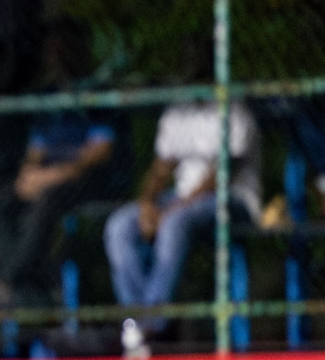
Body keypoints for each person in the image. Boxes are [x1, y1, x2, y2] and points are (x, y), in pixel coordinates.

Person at [103, 100, 261, 335]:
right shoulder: (177, 112)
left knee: (175, 223)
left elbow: (224, 172)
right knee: (120, 226)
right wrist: (147, 204)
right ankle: (135, 323)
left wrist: (173, 209)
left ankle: (154, 326)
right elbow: (161, 168)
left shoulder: (235, 111)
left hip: (232, 200)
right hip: (178, 198)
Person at [0, 110, 116, 307]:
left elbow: (99, 153)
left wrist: (53, 176)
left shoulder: (94, 112)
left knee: (45, 204)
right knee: (0, 204)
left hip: (82, 183)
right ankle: (26, 290)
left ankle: (8, 281)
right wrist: (29, 178)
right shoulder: (48, 112)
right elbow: (34, 156)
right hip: (44, 181)